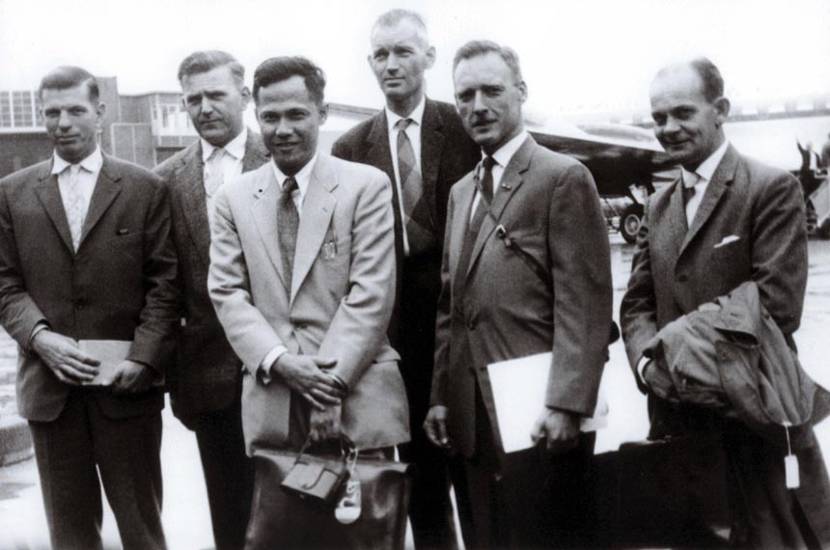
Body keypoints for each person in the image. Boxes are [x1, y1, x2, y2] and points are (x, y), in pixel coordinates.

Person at [620, 57, 830, 547]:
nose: (668, 128)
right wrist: (646, 368)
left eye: (682, 113)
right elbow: (636, 304)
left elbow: (775, 306)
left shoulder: (769, 188)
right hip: (675, 427)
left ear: (721, 110)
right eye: (658, 118)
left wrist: (667, 353)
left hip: (752, 424)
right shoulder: (658, 205)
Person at [207, 56, 409, 547]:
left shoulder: (365, 186)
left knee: (364, 536)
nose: (283, 129)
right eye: (270, 117)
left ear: (321, 113)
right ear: (256, 115)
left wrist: (328, 387)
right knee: (284, 538)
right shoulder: (232, 198)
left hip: (360, 401)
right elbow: (227, 292)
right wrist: (279, 363)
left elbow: (371, 294)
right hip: (274, 403)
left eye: (296, 114)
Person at [423, 41, 612, 548]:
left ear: (521, 92)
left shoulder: (562, 177)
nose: (477, 105)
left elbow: (585, 303)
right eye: (465, 95)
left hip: (539, 413)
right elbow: (450, 305)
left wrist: (567, 404)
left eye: (492, 90)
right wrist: (441, 397)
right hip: (471, 416)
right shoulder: (462, 191)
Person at [0, 66, 177, 550]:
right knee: (70, 534)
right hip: (51, 394)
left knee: (143, 530)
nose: (63, 122)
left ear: (100, 112)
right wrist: (39, 336)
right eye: (52, 111)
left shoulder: (144, 189)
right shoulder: (13, 193)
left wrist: (144, 359)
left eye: (76, 110)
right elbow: (4, 283)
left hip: (126, 393)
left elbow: (165, 283)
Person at [331, 10, 479, 548]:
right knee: (421, 482)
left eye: (403, 52)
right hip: (395, 336)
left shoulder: (465, 128)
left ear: (429, 58)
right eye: (380, 55)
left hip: (462, 324)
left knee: (477, 474)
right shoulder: (350, 147)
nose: (390, 65)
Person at [153, 50, 268, 550]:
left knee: (297, 511)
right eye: (192, 99)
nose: (204, 107)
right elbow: (164, 285)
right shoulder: (164, 180)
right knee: (229, 517)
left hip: (286, 371)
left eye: (216, 94)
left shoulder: (283, 154)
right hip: (209, 380)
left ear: (243, 96)